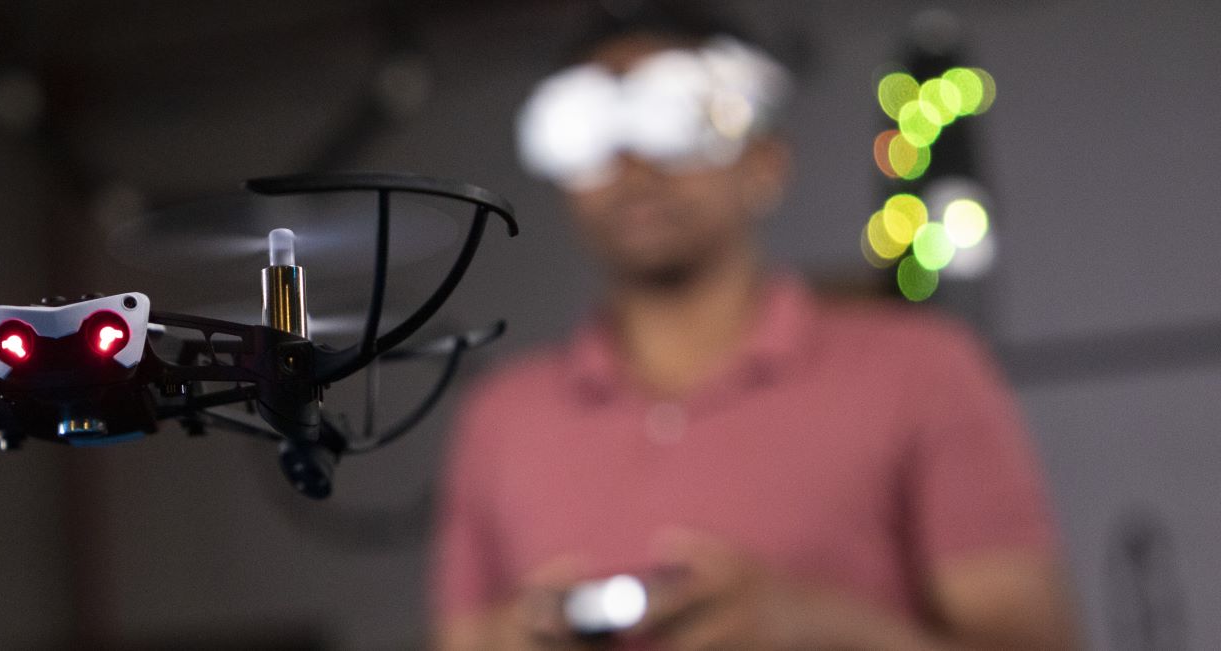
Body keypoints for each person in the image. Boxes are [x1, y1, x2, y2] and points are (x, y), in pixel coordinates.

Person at [431, 8, 1077, 651]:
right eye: (593, 136)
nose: (633, 167)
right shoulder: (502, 417)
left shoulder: (922, 370)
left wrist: (817, 629)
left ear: (766, 162)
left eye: (678, 123)